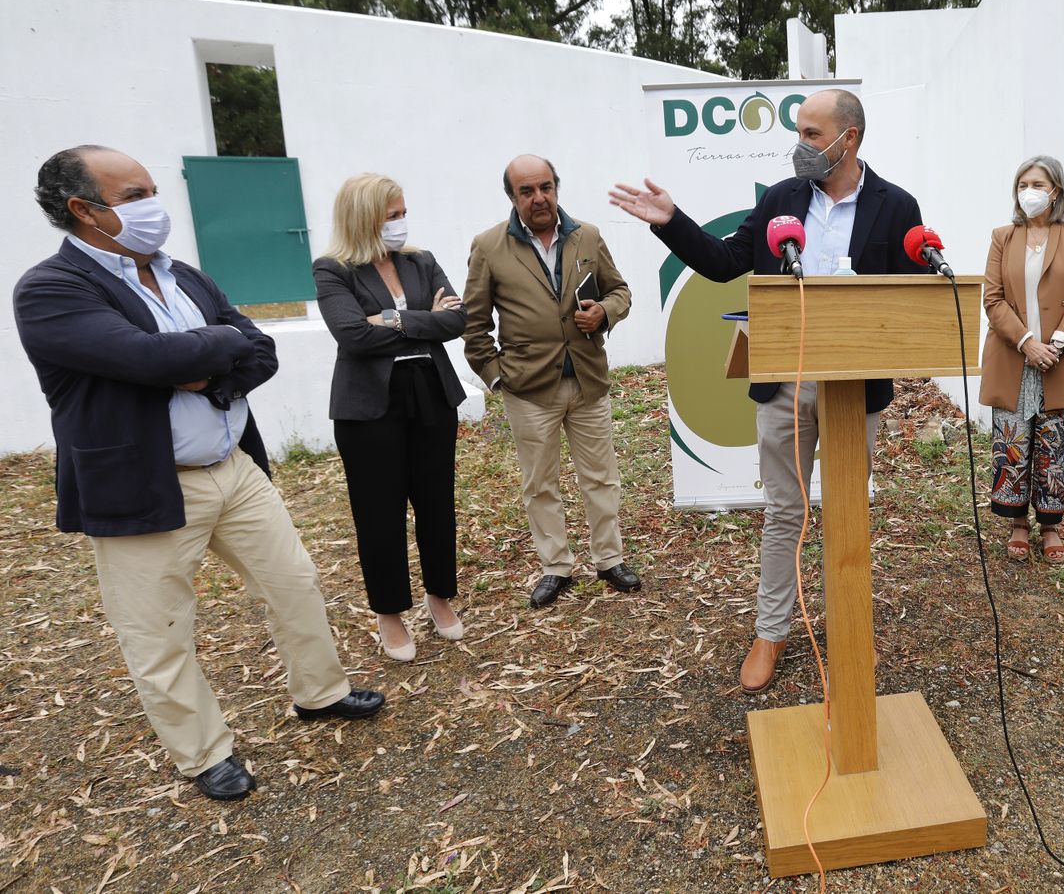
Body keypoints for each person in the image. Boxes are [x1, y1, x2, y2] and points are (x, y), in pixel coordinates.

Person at [13, 146, 384, 802]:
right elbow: (138, 353)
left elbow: (256, 347)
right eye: (135, 195)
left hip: (232, 465)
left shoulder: (182, 274)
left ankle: (319, 692)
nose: (154, 204)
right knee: (158, 629)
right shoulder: (50, 290)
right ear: (82, 210)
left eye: (153, 189)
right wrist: (185, 354)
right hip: (141, 483)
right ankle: (203, 753)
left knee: (294, 581)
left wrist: (190, 365)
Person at [610, 88, 925, 694]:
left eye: (811, 134)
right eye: (800, 131)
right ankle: (772, 629)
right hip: (786, 383)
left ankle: (847, 626)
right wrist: (671, 221)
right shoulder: (782, 200)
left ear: (848, 139)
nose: (800, 144)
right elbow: (727, 262)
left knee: (846, 511)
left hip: (855, 392)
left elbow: (912, 297)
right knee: (785, 511)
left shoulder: (897, 206)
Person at [462, 154, 641, 609]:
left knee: (601, 477)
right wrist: (496, 378)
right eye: (527, 191)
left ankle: (609, 559)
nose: (538, 197)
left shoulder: (588, 236)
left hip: (586, 378)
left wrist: (606, 311)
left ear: (556, 188)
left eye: (545, 187)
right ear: (512, 197)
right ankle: (556, 566)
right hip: (528, 388)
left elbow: (619, 290)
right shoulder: (488, 246)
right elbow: (474, 322)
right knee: (540, 483)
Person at [313, 173, 468, 662]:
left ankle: (439, 595)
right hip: (368, 408)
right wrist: (423, 320)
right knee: (378, 513)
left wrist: (393, 319)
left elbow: (457, 321)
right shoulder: (332, 269)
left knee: (436, 501)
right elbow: (352, 336)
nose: (400, 224)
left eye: (402, 214)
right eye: (391, 216)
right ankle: (390, 613)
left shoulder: (419, 260)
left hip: (431, 393)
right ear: (363, 218)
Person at [979, 155, 1064, 564]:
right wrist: (1027, 342)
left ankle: (1050, 525)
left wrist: (1058, 344)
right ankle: (1017, 523)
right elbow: (992, 299)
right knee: (1012, 443)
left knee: (1055, 443)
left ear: (1056, 191)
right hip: (1015, 356)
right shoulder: (1003, 237)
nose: (1028, 191)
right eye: (1022, 184)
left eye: (1037, 184)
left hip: (1060, 358)